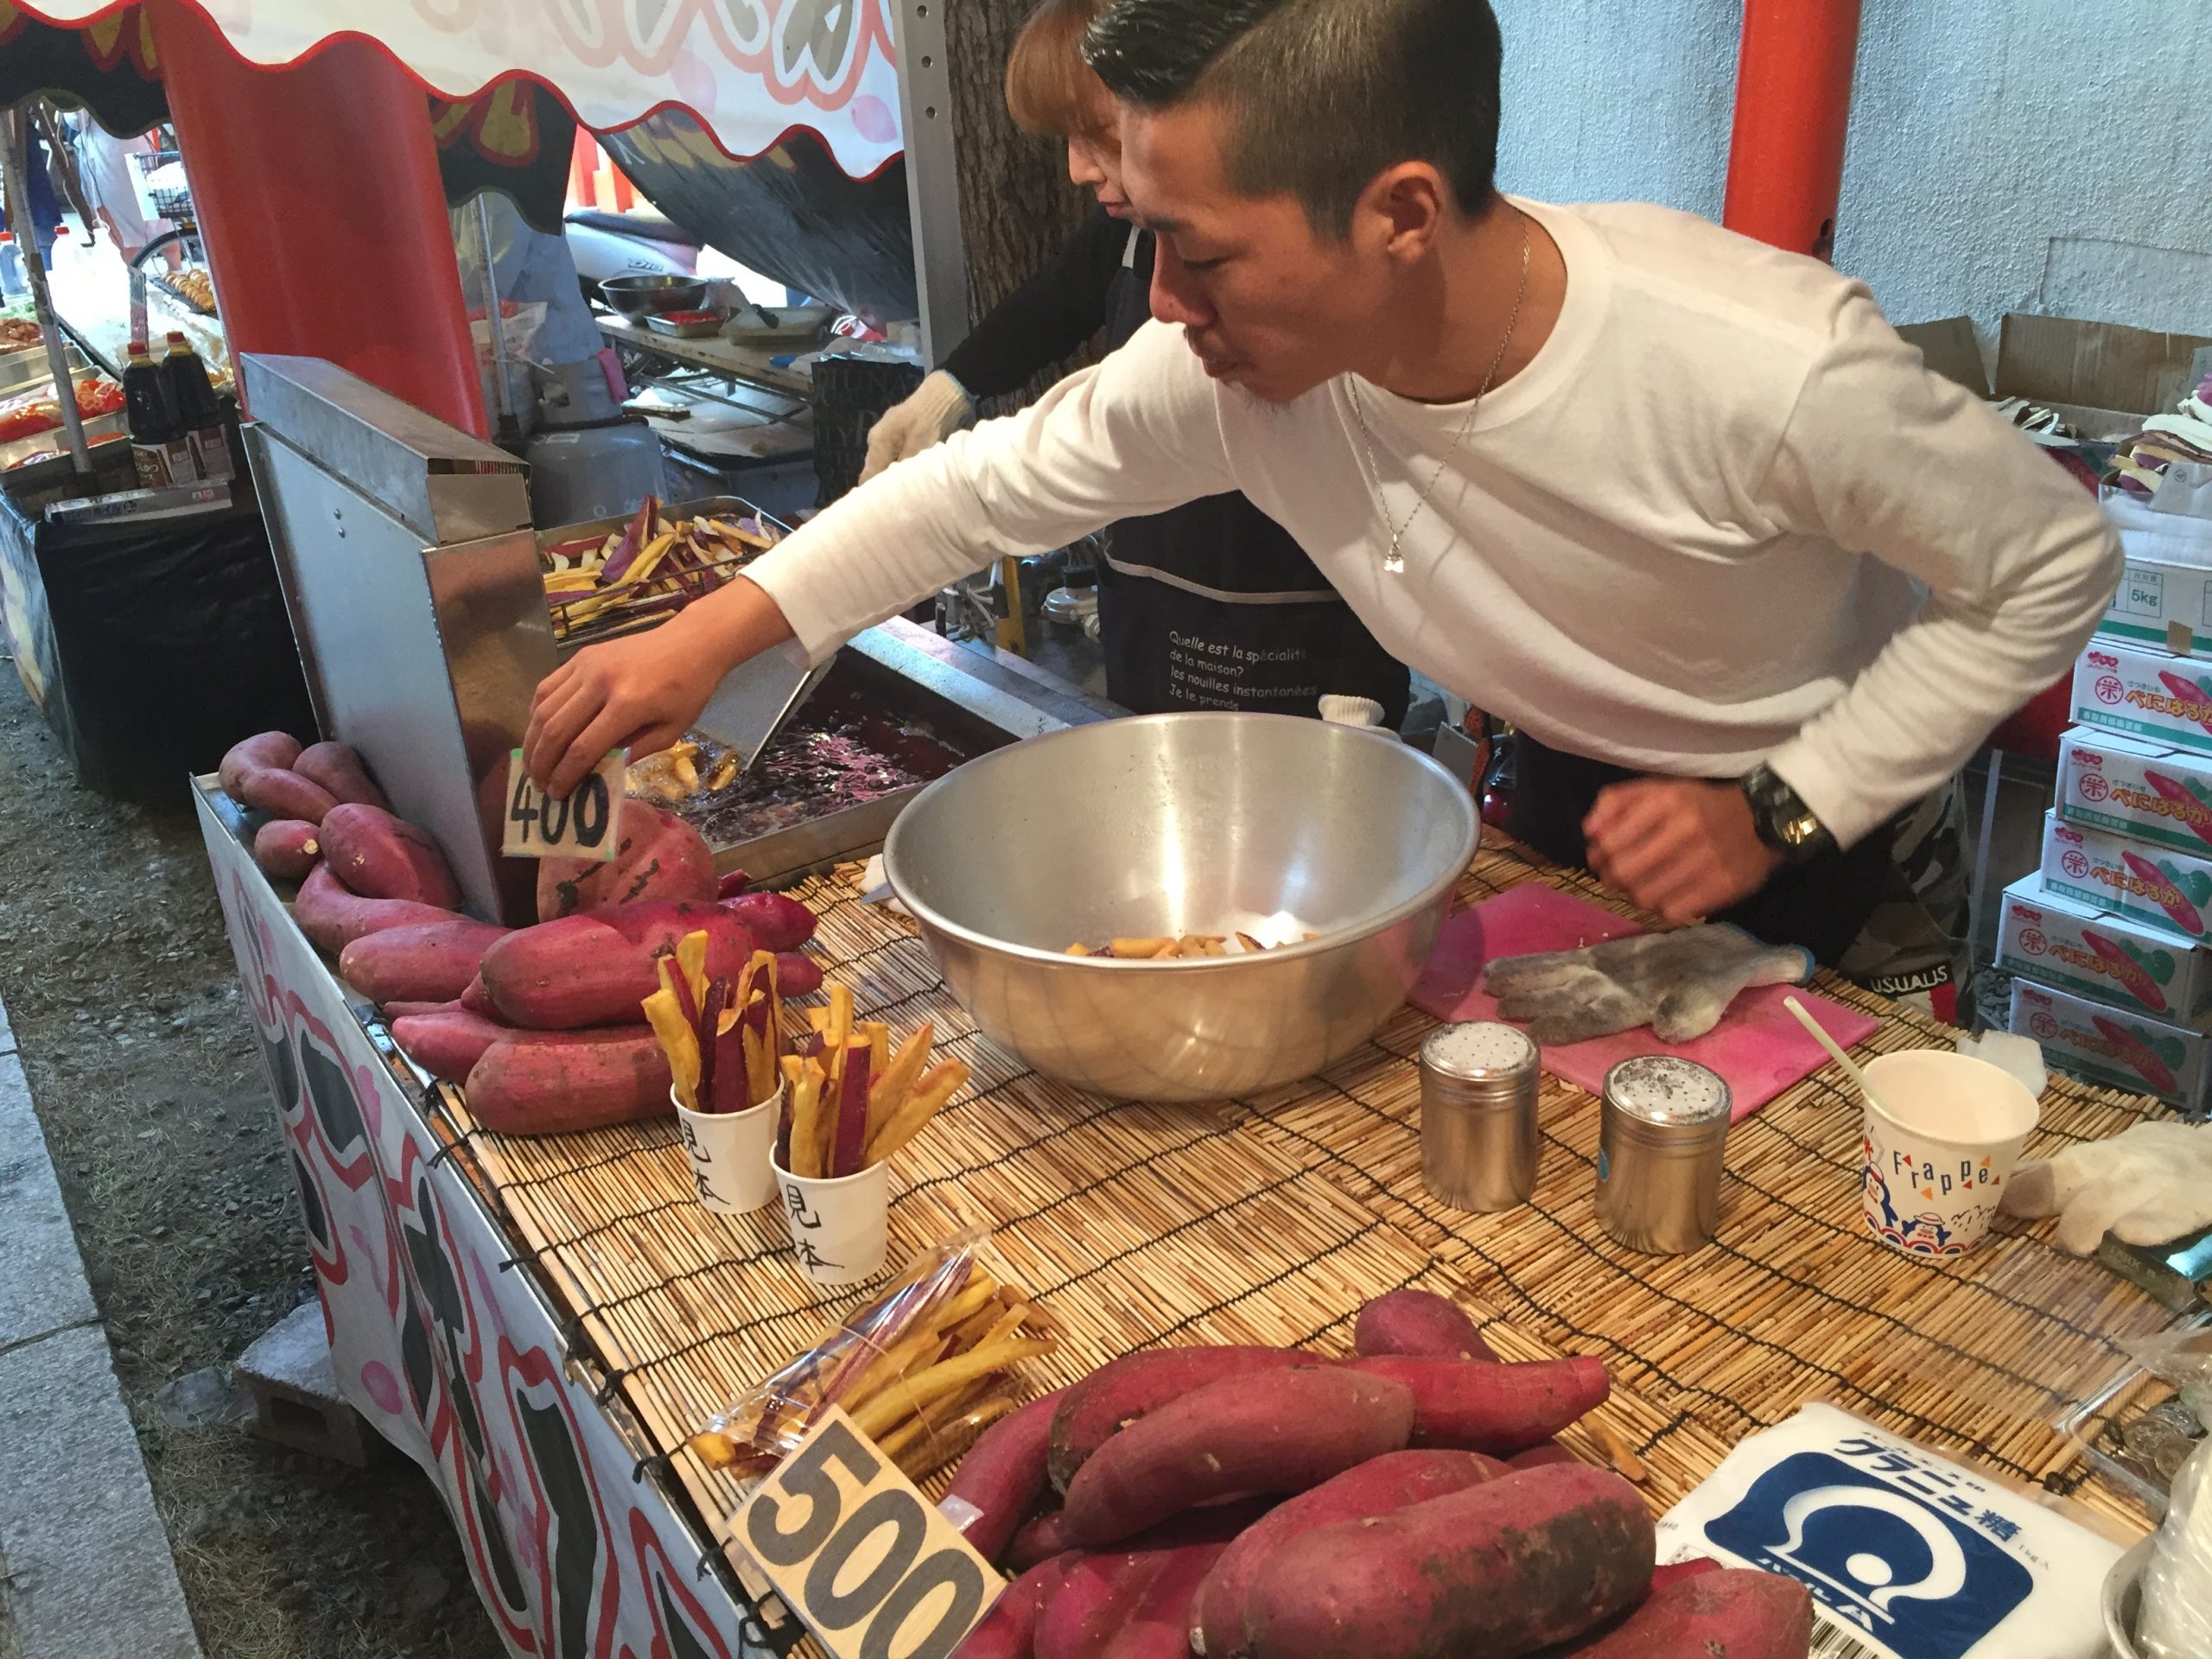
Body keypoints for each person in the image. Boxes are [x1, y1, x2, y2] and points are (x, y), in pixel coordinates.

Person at [527, 0, 2121, 966]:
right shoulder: (1232, 365)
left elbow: (2055, 568)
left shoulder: (1770, 368)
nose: (1158, 300)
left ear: (1403, 214)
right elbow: (989, 489)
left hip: (1795, 806)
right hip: (1570, 786)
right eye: (1139, 231)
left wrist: (1782, 809)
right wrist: (715, 632)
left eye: (1201, 249)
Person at [860, 0, 1408, 723]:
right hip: (1153, 592)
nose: (1077, 168)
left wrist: (1361, 677)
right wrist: (951, 387)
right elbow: (1053, 303)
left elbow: (1385, 488)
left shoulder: (1315, 261)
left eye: (1098, 134)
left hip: (1289, 616)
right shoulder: (1122, 232)